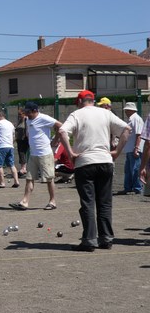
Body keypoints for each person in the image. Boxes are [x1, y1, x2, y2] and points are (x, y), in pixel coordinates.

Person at [59, 90, 130, 252]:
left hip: (85, 162)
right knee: (105, 202)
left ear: (79, 101)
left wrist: (70, 154)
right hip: (105, 161)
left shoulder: (76, 114)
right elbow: (126, 129)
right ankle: (106, 238)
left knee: (88, 203)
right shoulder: (105, 113)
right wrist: (117, 152)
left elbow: (62, 131)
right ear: (93, 100)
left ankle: (89, 240)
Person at [9, 101, 62, 211]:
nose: (27, 114)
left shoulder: (44, 118)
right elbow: (29, 131)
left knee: (49, 179)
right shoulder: (28, 119)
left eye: (28, 112)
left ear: (35, 111)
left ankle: (52, 201)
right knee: (29, 178)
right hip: (33, 154)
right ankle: (24, 202)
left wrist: (56, 139)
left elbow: (60, 125)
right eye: (26, 112)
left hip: (45, 153)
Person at [114, 102, 144, 195]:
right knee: (128, 169)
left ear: (131, 110)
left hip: (133, 148)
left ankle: (137, 187)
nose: (126, 111)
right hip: (130, 148)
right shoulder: (132, 119)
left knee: (135, 169)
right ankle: (128, 187)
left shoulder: (136, 119)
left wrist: (136, 148)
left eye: (127, 110)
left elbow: (139, 134)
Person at [15, 108, 29, 177]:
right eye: (18, 114)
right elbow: (16, 129)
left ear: (24, 113)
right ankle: (23, 168)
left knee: (22, 152)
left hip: (25, 139)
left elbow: (27, 129)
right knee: (20, 153)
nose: (19, 115)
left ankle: (24, 168)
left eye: (20, 114)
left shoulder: (27, 120)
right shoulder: (19, 120)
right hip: (19, 139)